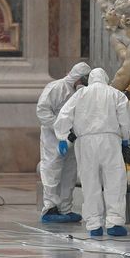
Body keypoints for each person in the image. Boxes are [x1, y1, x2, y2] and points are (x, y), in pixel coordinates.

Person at [54, 68, 130, 236]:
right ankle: (114, 223)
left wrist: (62, 137)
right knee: (114, 181)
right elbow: (126, 118)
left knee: (90, 182)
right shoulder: (115, 94)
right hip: (110, 140)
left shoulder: (80, 94)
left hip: (85, 142)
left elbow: (64, 114)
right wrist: (125, 140)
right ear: (105, 78)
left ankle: (94, 225)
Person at [37, 62, 91, 223]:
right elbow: (42, 111)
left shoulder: (81, 92)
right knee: (52, 170)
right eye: (82, 79)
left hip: (72, 139)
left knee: (70, 172)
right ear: (76, 77)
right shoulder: (56, 88)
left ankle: (65, 208)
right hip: (53, 138)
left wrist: (71, 134)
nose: (84, 82)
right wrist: (60, 131)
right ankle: (50, 208)